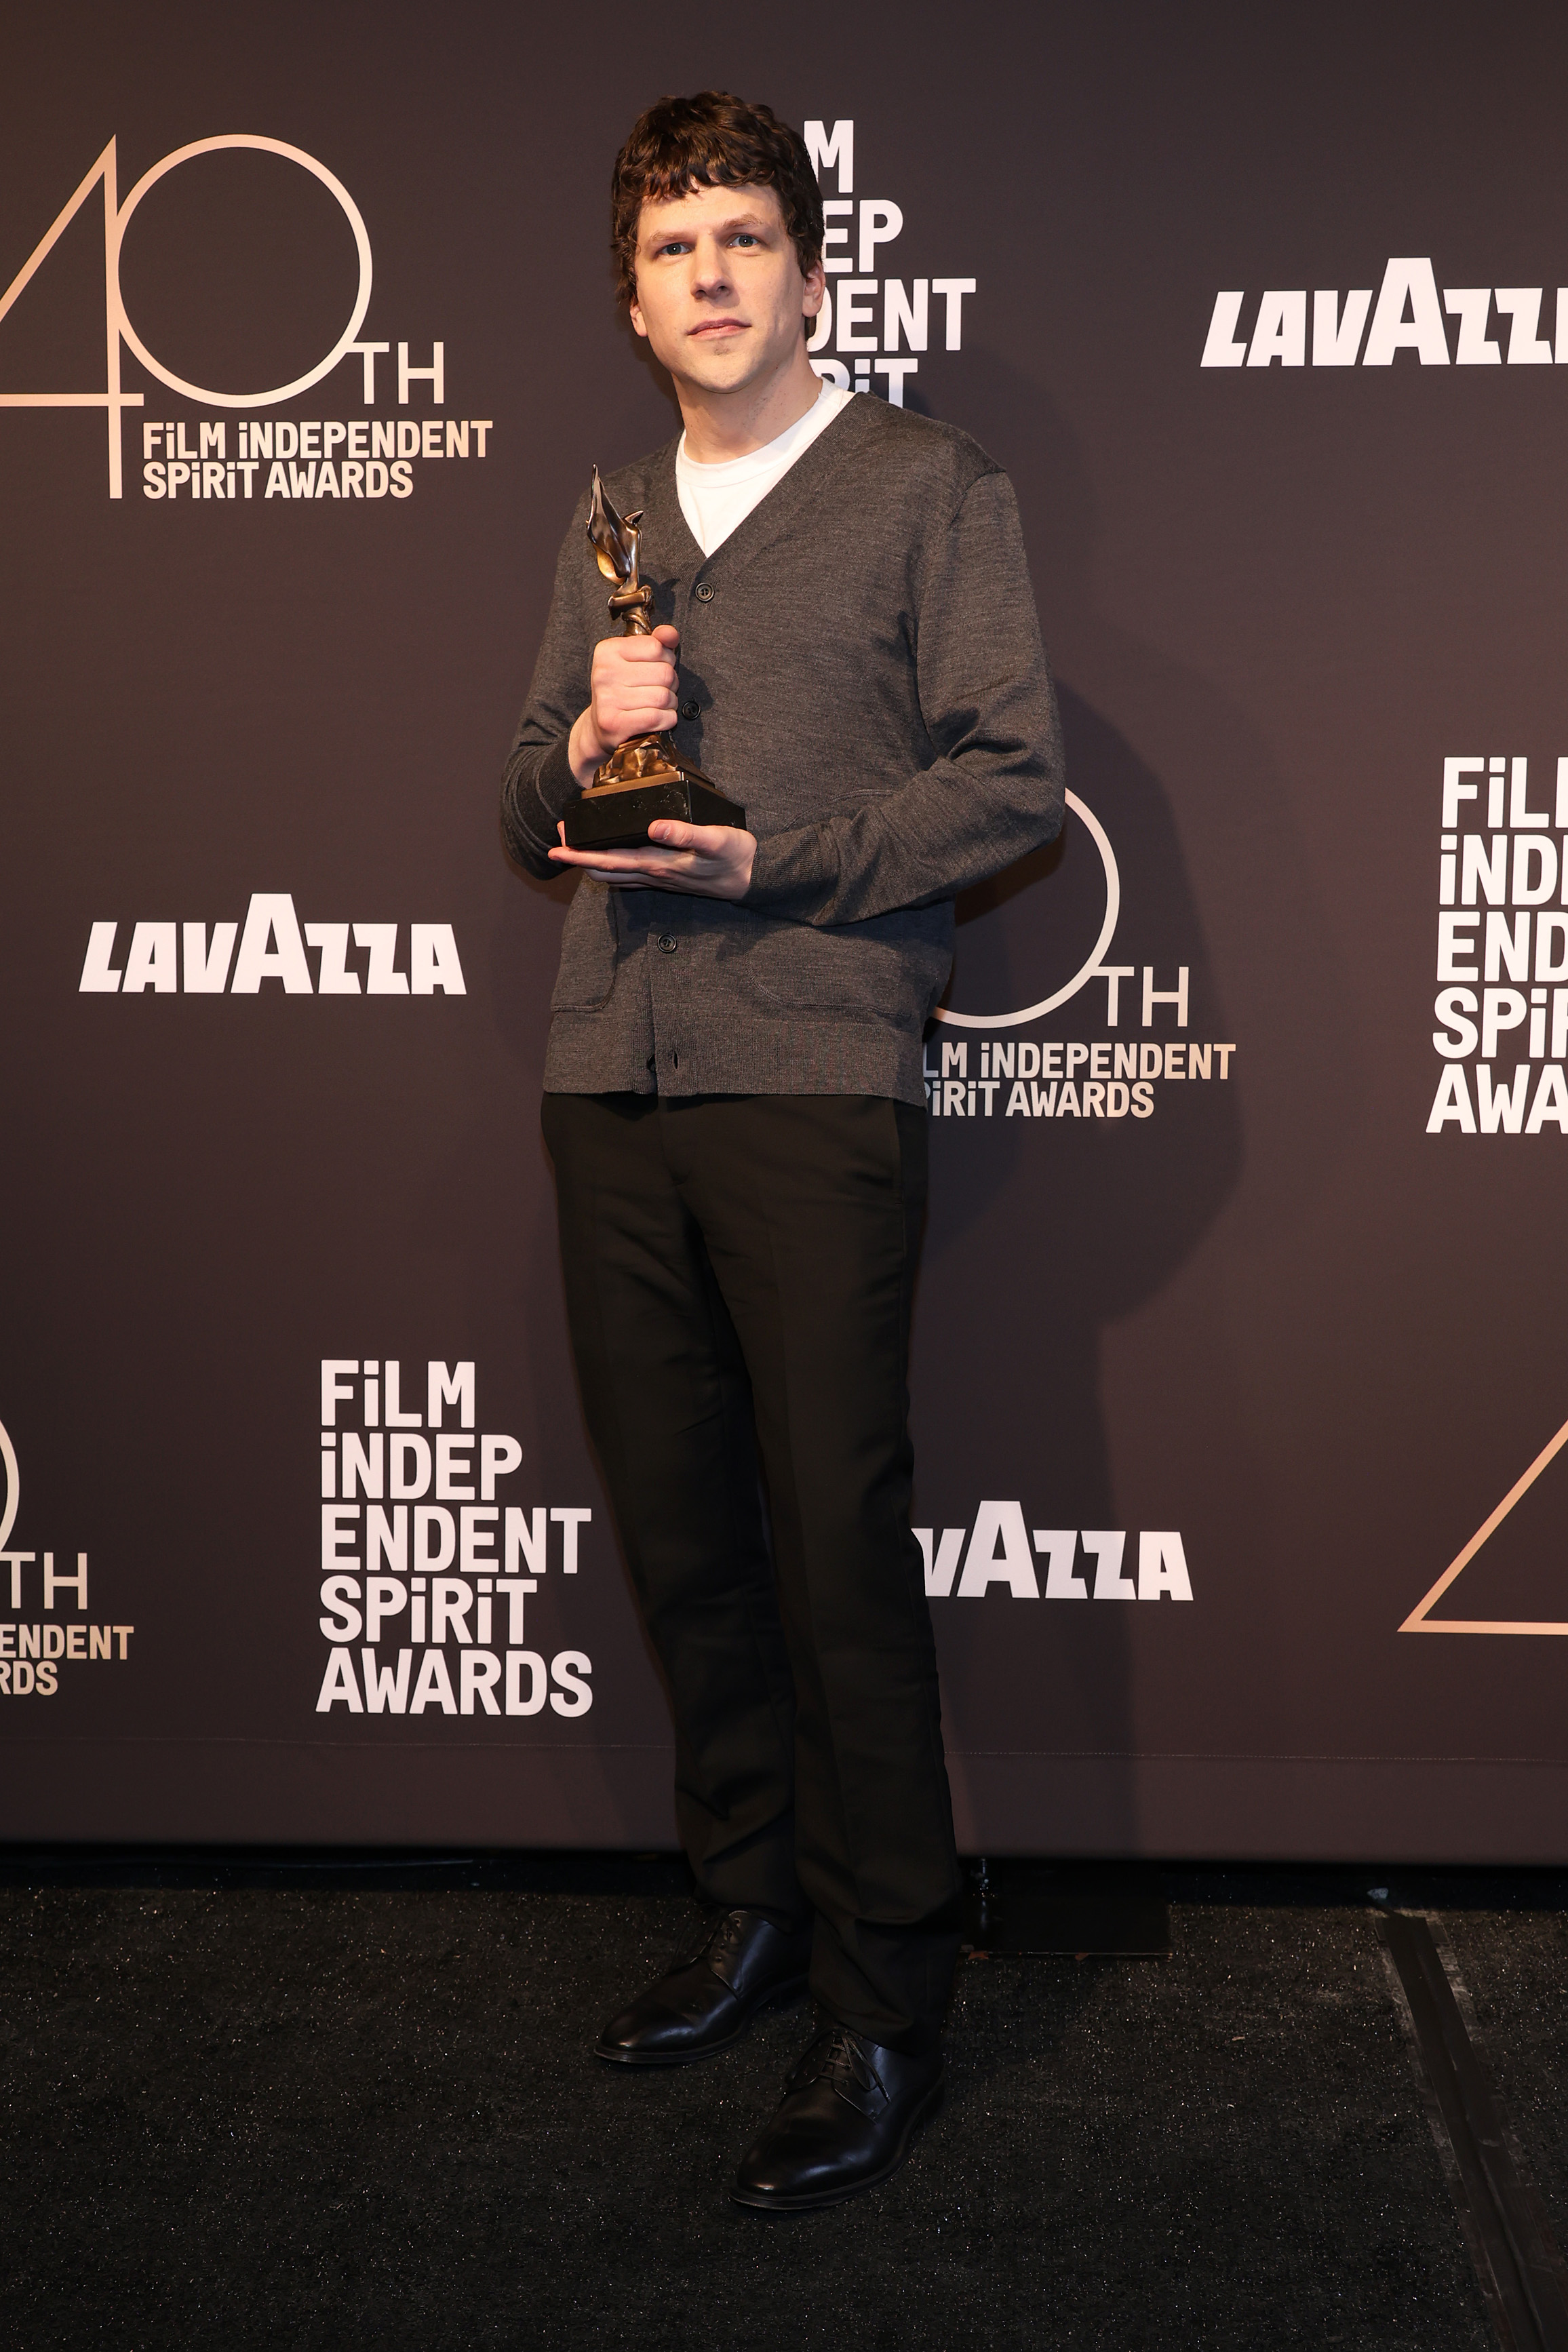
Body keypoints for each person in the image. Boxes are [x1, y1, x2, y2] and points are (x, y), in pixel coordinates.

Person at [502, 90, 1063, 2212]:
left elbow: (1012, 779)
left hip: (815, 1072)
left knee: (835, 1539)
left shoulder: (931, 487)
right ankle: (746, 1902)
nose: (711, 275)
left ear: (813, 272)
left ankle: (888, 1991)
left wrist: (785, 860)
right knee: (685, 1532)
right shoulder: (607, 511)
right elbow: (520, 797)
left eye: (743, 236)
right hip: (610, 1074)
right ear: (633, 298)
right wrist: (580, 738)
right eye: (674, 248)